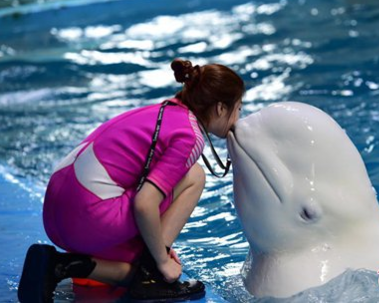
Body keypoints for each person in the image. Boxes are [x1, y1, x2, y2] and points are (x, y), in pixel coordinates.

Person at [17, 58, 245, 302]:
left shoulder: (164, 111)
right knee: (194, 176)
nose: (238, 117)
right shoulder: (189, 136)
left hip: (55, 216)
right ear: (221, 108)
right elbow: (144, 203)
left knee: (140, 262)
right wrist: (160, 259)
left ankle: (62, 266)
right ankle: (152, 273)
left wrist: (156, 248)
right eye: (239, 108)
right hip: (87, 218)